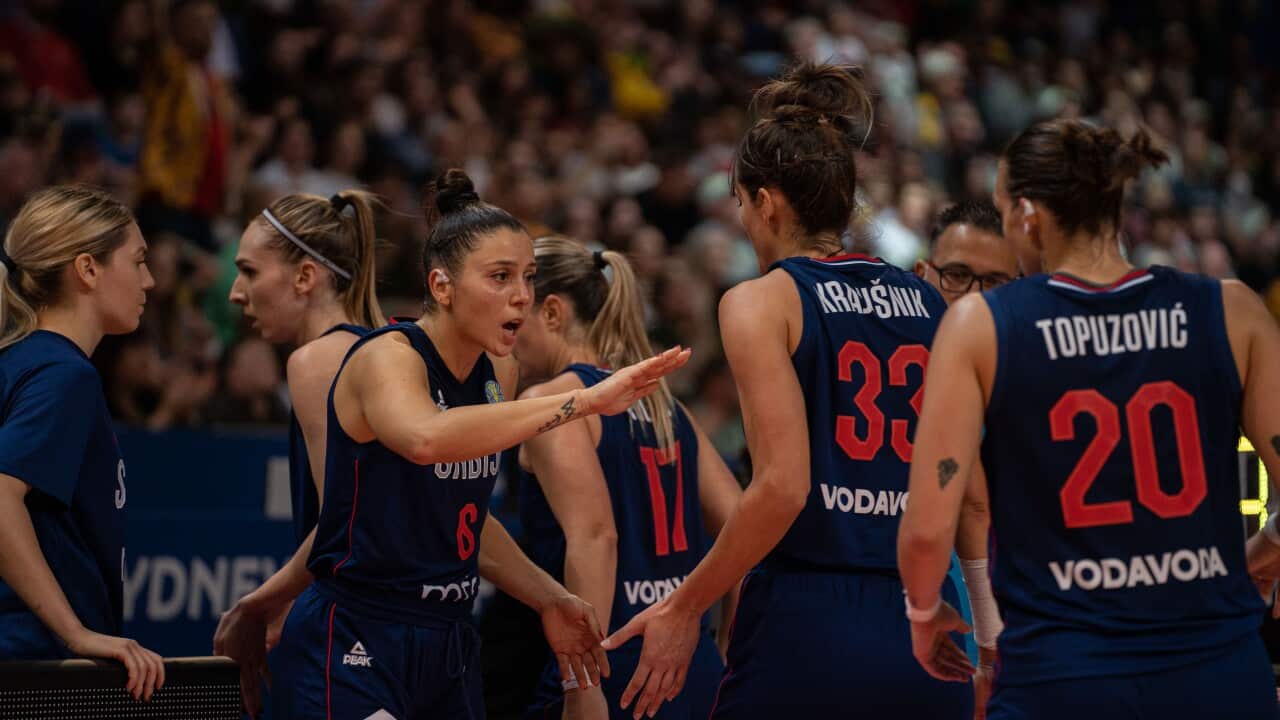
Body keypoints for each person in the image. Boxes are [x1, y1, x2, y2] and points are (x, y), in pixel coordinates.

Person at [603, 62, 975, 719]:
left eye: (741, 202)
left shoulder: (760, 301)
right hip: (925, 610)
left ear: (766, 201)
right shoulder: (926, 298)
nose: (743, 218)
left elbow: (783, 488)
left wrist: (684, 604)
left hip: (814, 615)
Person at [262, 169, 690, 720]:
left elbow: (467, 518)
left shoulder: (499, 370)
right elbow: (425, 438)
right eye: (500, 277)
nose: (521, 297)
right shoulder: (388, 356)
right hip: (358, 633)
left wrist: (550, 597)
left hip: (448, 640)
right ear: (442, 287)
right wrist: (582, 402)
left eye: (529, 278)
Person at [898, 119, 1280, 719]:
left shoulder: (981, 326)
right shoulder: (1232, 309)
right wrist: (1268, 545)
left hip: (1063, 682)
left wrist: (924, 615)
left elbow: (926, 530)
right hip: (1220, 674)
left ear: (1027, 214)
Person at [515, 237, 741, 719]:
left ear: (552, 313)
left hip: (610, 669)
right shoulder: (665, 403)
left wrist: (583, 684)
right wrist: (729, 648)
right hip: (688, 664)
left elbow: (596, 537)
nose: (510, 330)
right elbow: (744, 527)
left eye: (520, 313)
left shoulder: (553, 399)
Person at [213, 189, 384, 713]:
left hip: (356, 637)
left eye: (248, 271)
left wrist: (256, 603)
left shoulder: (317, 361)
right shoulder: (380, 347)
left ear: (305, 277)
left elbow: (345, 518)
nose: (236, 294)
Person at [0, 185, 164, 701]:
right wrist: (76, 633)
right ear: (88, 269)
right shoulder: (62, 373)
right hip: (34, 661)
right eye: (137, 261)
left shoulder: (24, 362)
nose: (150, 280)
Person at [915, 199, 1018, 717]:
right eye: (956, 275)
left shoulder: (1027, 388)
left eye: (995, 283)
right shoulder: (901, 372)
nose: (971, 300)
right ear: (921, 274)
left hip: (995, 639)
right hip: (918, 628)